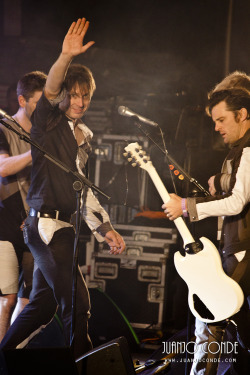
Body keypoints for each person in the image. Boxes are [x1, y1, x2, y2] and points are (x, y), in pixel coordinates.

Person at [0, 17, 125, 360]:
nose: (80, 101)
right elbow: (52, 86)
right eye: (75, 94)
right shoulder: (46, 123)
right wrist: (65, 56)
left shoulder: (83, 136)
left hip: (66, 228)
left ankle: (4, 355)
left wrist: (106, 228)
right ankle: (80, 368)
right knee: (78, 303)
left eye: (86, 96)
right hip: (44, 227)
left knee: (41, 306)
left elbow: (82, 189)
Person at [162, 86, 250, 374]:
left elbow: (237, 202)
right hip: (235, 250)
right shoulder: (237, 152)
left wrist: (187, 206)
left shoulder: (248, 151)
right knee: (233, 327)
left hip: (242, 252)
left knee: (211, 318)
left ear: (242, 115)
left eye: (221, 119)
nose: (216, 127)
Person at [0, 71, 47, 342]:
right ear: (21, 100)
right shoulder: (3, 128)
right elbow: (3, 166)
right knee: (6, 297)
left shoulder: (46, 133)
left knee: (28, 300)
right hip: (5, 224)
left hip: (34, 225)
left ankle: (10, 356)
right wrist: (36, 151)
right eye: (37, 104)